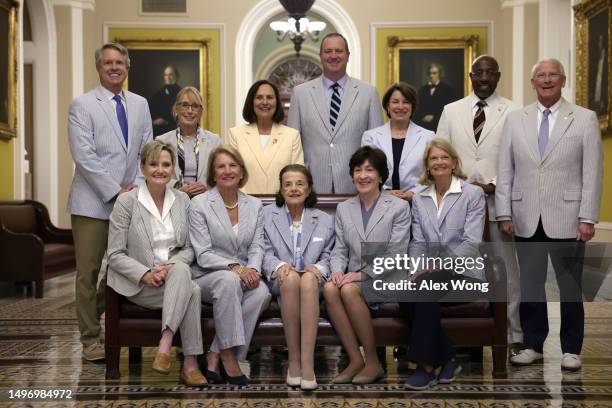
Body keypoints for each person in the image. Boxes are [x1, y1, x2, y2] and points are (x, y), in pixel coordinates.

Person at [496, 58, 603, 371]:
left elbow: (593, 172)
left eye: (552, 74)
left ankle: (571, 348)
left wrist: (588, 217)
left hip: (569, 217)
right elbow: (505, 169)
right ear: (532, 83)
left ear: (563, 79)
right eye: (540, 76)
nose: (546, 80)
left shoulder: (583, 118)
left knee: (570, 286)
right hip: (525, 215)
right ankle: (532, 344)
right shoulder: (516, 120)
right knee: (530, 284)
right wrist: (504, 211)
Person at [67, 43, 153, 361]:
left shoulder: (140, 104)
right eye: (107, 63)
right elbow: (84, 157)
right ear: (98, 67)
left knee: (126, 270)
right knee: (88, 272)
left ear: (127, 67)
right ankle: (91, 339)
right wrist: (117, 191)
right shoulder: (83, 105)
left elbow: (148, 150)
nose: (114, 67)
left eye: (119, 62)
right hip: (92, 203)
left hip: (131, 202)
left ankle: (113, 325)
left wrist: (138, 188)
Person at [436, 55, 523, 357]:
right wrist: (461, 184)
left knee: (506, 272)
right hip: (459, 202)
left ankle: (512, 336)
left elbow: (518, 155)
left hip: (500, 203)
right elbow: (440, 154)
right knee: (464, 266)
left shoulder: (514, 111)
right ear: (470, 76)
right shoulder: (451, 111)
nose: (484, 77)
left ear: (498, 76)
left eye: (490, 73)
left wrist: (494, 183)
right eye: (479, 73)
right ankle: (465, 336)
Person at [106, 140, 206, 385]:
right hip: (139, 285)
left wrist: (170, 267)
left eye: (166, 164)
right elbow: (114, 254)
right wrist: (145, 274)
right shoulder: (126, 202)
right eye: (153, 164)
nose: (160, 170)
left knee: (184, 273)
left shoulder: (183, 201)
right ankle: (189, 364)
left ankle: (166, 344)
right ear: (142, 168)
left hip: (173, 277)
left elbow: (189, 247)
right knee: (192, 289)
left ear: (173, 168)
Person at [402, 138, 486, 390]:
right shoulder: (419, 197)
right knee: (406, 293)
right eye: (433, 158)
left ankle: (425, 367)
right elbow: (417, 241)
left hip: (465, 274)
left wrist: (438, 266)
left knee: (425, 288)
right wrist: (416, 269)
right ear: (427, 165)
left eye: (444, 157)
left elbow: (471, 242)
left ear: (453, 162)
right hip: (429, 273)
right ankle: (447, 356)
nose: (439, 162)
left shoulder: (472, 194)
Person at [324, 146, 410, 384]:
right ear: (352, 175)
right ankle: (355, 360)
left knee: (350, 289)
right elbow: (339, 248)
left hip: (389, 277)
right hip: (352, 278)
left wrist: (361, 276)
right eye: (358, 170)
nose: (363, 175)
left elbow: (397, 252)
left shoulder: (399, 208)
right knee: (331, 288)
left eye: (370, 170)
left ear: (381, 176)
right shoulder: (344, 208)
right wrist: (338, 272)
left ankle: (372, 362)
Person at [189, 145, 272, 385]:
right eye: (221, 166)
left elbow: (258, 246)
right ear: (213, 174)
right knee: (227, 281)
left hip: (244, 273)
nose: (227, 171)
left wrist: (254, 269)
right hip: (208, 274)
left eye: (232, 165)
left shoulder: (254, 205)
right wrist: (236, 268)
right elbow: (203, 254)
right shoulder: (200, 204)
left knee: (262, 292)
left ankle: (214, 352)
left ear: (241, 171)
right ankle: (229, 356)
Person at [262, 164, 335, 390]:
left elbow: (332, 254)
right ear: (281, 190)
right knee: (293, 278)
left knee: (308, 279)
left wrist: (320, 268)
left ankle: (308, 364)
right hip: (281, 279)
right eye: (288, 184)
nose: (294, 189)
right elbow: (261, 250)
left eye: (300, 183)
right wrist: (279, 265)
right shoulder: (266, 215)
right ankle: (294, 362)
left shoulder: (324, 219)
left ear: (309, 188)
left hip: (314, 282)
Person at [288, 32, 383, 194]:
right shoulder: (300, 93)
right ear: (321, 55)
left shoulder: (368, 93)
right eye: (328, 51)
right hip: (311, 186)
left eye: (338, 51)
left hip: (357, 185)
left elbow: (376, 146)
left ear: (347, 55)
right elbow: (292, 144)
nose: (333, 56)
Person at [361, 82, 434, 201]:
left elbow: (432, 173)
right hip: (380, 202)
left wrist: (413, 194)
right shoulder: (371, 137)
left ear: (412, 106)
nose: (400, 107)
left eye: (406, 102)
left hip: (418, 203)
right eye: (395, 102)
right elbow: (366, 172)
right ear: (388, 107)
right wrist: (385, 192)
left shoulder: (428, 137)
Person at [228, 80, 304, 194]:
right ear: (251, 102)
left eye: (269, 97)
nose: (264, 102)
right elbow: (232, 174)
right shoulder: (235, 134)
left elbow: (297, 177)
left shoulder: (292, 136)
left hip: (282, 205)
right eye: (259, 97)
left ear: (277, 102)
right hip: (245, 206)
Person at [157, 86, 220, 198]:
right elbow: (154, 175)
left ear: (201, 112)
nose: (190, 111)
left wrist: (206, 187)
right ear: (176, 109)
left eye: (195, 106)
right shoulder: (161, 141)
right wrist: (176, 187)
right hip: (171, 201)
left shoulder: (215, 141)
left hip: (205, 203)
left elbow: (222, 175)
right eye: (185, 105)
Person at [413, 63, 454, 132]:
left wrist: (434, 117)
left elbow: (449, 109)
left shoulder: (447, 89)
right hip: (423, 126)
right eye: (430, 73)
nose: (431, 75)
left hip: (440, 126)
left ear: (439, 74)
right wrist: (423, 116)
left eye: (434, 73)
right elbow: (417, 107)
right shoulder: (421, 90)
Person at [151, 66, 181, 137]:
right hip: (159, 132)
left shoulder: (182, 94)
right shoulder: (158, 95)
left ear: (177, 76)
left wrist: (166, 121)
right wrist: (154, 121)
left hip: (176, 132)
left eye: (170, 75)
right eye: (166, 75)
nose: (168, 77)